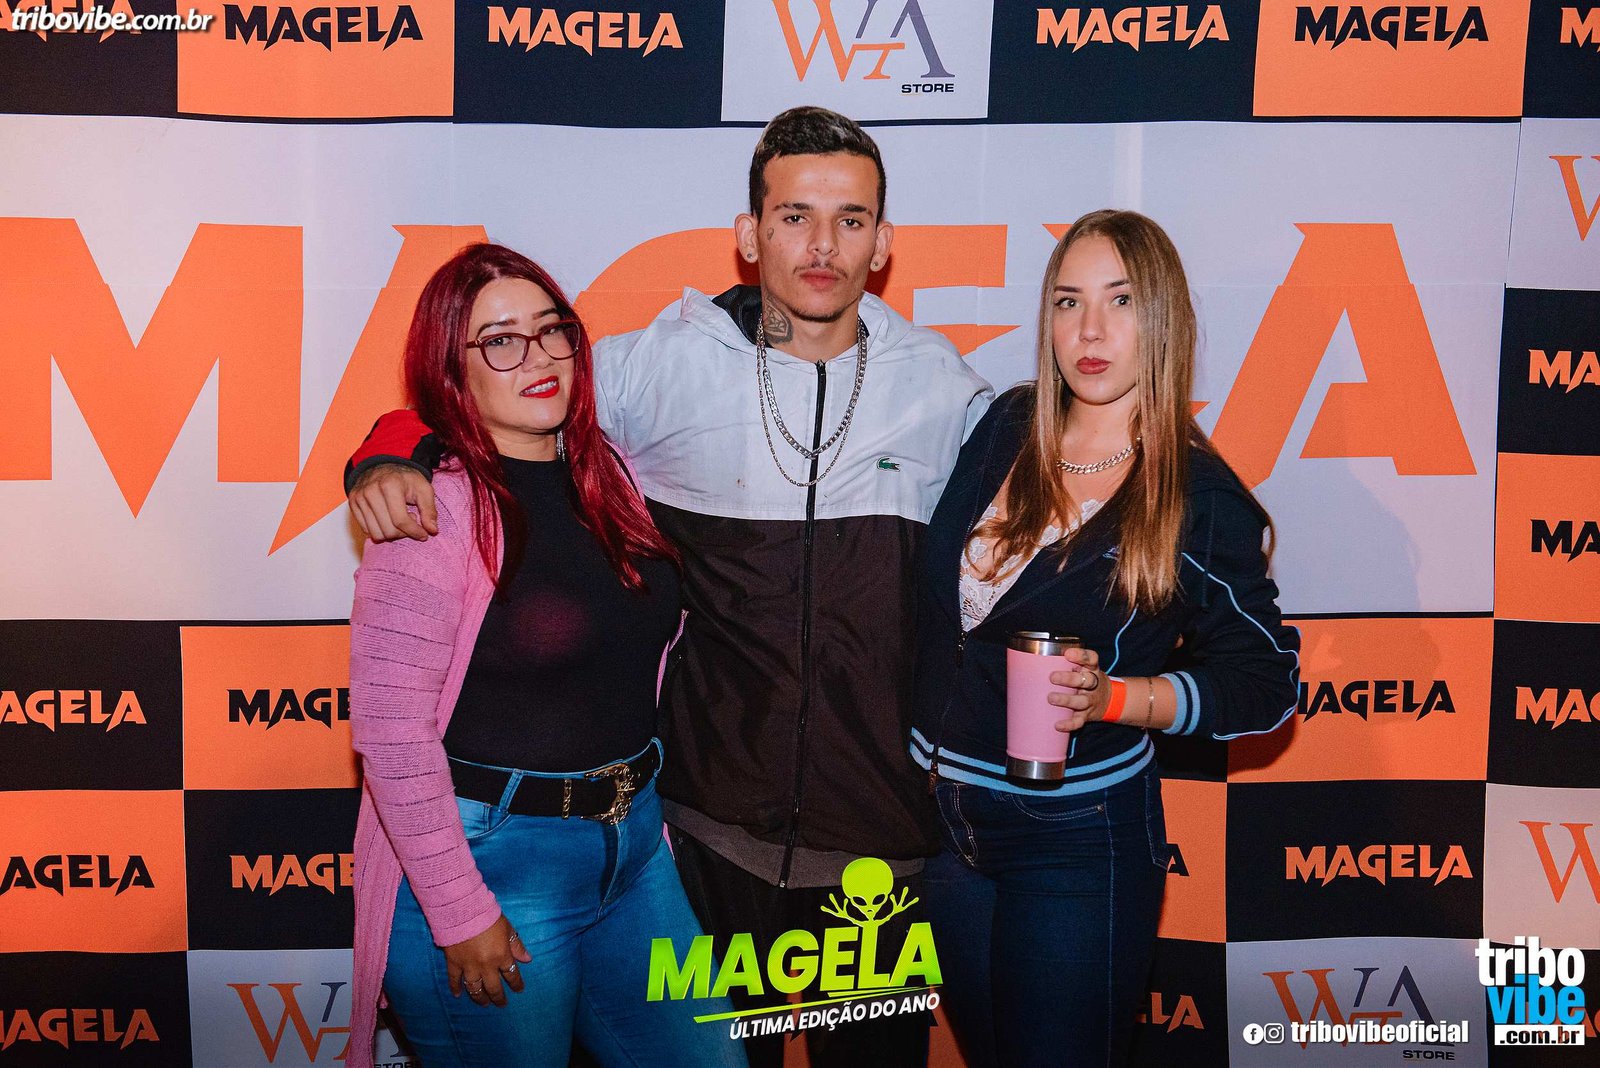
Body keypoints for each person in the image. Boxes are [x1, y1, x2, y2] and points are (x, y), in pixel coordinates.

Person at [344, 108, 992, 1066]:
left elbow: (1061, 486)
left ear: (884, 242)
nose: (822, 245)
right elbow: (491, 405)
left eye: (850, 219)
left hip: (873, 848)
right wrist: (387, 449)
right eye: (794, 216)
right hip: (702, 844)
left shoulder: (942, 389)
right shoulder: (665, 365)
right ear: (748, 235)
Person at [910, 210, 1300, 1067]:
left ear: (1163, 320)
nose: (1089, 330)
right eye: (1068, 301)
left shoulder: (1196, 498)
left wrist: (1117, 698)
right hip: (938, 825)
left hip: (1073, 838)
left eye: (1120, 301)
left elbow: (1268, 682)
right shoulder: (1007, 423)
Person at [346, 243, 746, 1068]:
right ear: (453, 370)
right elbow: (389, 730)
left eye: (551, 329)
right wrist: (459, 910)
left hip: (634, 853)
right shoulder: (434, 511)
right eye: (500, 340)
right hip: (494, 864)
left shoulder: (611, 475)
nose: (536, 357)